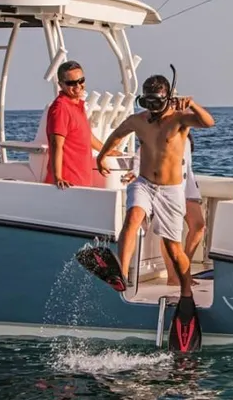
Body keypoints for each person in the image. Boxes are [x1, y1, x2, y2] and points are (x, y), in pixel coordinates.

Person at [79, 74, 215, 307]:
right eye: (148, 103)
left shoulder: (179, 119)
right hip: (144, 183)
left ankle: (185, 293)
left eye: (157, 103)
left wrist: (191, 103)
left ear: (167, 99)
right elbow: (117, 134)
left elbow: (208, 122)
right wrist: (101, 156)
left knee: (173, 248)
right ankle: (120, 274)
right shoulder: (139, 120)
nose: (152, 109)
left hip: (171, 190)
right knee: (132, 218)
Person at [126, 132, 206, 286]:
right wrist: (135, 172)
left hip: (187, 185)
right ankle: (174, 277)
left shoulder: (185, 133)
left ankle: (184, 271)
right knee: (170, 233)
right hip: (167, 187)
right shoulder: (158, 131)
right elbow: (141, 155)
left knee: (199, 226)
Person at [45, 60, 121, 189]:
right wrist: (58, 177)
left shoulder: (77, 105)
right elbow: (56, 144)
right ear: (61, 84)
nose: (78, 86)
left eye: (81, 80)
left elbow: (86, 136)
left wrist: (106, 151)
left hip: (81, 182)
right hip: (66, 185)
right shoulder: (60, 108)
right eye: (71, 83)